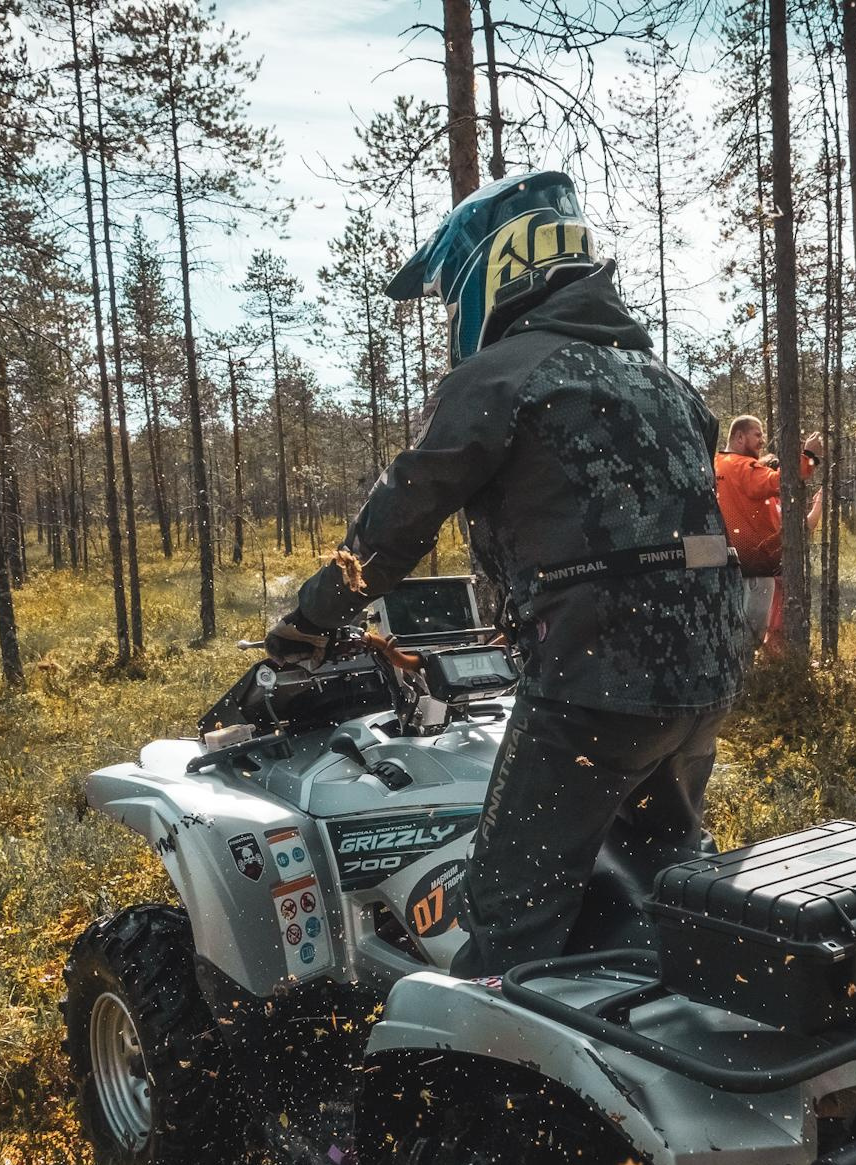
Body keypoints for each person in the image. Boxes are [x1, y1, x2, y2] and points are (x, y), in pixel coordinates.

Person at [262, 171, 746, 978]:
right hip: (705, 683)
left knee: (507, 921)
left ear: (496, 268)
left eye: (456, 296)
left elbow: (398, 518)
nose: (457, 317)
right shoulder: (668, 383)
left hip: (590, 690)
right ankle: (677, 1055)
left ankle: (492, 1095)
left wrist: (313, 618)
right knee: (657, 887)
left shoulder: (501, 375)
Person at [713, 417, 823, 652]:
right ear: (739, 437)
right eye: (757, 434)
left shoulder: (716, 464)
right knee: (750, 637)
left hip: (728, 564)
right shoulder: (743, 467)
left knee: (732, 631)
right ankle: (747, 685)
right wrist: (809, 457)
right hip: (756, 568)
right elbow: (784, 479)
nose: (762, 441)